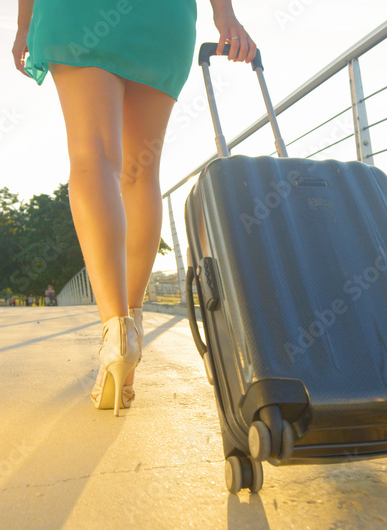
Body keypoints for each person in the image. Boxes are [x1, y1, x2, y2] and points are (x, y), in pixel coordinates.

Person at [13, 0, 256, 415]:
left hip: (79, 15)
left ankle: (116, 333)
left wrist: (23, 25)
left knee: (94, 159)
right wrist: (225, 15)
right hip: (162, 17)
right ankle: (133, 327)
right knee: (140, 175)